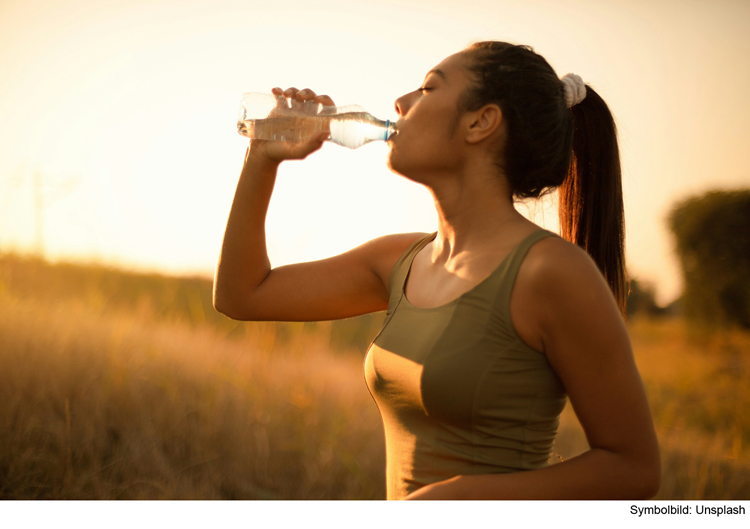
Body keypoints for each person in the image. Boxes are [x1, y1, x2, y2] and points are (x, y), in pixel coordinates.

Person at [213, 41, 661, 500]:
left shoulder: (549, 272)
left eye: (429, 88)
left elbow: (634, 471)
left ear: (481, 121)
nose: (401, 103)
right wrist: (261, 158)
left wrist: (464, 497)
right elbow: (241, 295)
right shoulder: (399, 261)